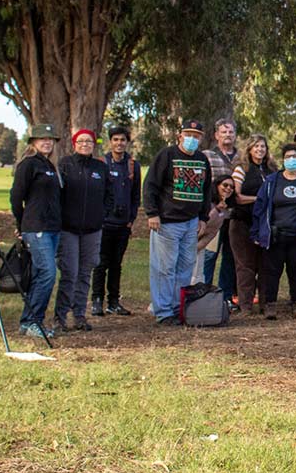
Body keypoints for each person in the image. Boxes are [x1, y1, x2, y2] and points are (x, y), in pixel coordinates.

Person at [143, 119, 212, 325]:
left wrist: (203, 217)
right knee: (164, 268)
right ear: (180, 136)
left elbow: (206, 190)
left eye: (196, 136)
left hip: (191, 222)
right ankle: (163, 311)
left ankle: (176, 308)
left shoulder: (202, 160)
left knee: (185, 268)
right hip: (167, 222)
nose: (192, 139)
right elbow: (151, 185)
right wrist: (152, 213)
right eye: (188, 134)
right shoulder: (167, 155)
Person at [251, 144, 296, 319]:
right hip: (275, 235)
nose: (291, 160)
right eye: (288, 157)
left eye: (295, 157)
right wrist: (257, 232)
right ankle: (270, 305)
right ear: (283, 160)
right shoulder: (272, 181)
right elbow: (260, 207)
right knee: (272, 272)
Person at [54, 129, 113, 332]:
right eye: (81, 141)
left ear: (94, 144)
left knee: (85, 272)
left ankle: (79, 315)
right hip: (68, 229)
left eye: (89, 141)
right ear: (74, 144)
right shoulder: (65, 165)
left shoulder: (100, 168)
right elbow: (56, 195)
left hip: (92, 230)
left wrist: (101, 215)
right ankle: (60, 317)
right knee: (69, 272)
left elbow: (109, 195)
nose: (85, 144)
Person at [10, 123, 63, 338]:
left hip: (53, 228)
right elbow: (16, 197)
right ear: (33, 142)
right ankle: (33, 321)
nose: (47, 142)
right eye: (42, 139)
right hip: (37, 227)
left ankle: (28, 321)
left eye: (50, 139)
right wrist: (21, 224)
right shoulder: (29, 165)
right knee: (48, 274)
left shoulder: (50, 166)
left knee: (41, 274)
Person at [90, 124, 140, 317]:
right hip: (104, 223)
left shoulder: (132, 165)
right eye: (116, 140)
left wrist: (131, 218)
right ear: (110, 142)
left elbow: (136, 196)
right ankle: (96, 301)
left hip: (123, 224)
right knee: (100, 263)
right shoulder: (102, 163)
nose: (119, 143)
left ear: (127, 142)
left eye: (123, 140)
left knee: (116, 264)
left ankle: (113, 301)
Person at [230, 134, 274, 315]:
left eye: (263, 147)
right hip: (242, 223)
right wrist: (260, 199)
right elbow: (237, 196)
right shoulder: (241, 169)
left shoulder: (271, 170)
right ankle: (246, 306)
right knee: (245, 266)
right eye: (256, 147)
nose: (260, 150)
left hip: (266, 225)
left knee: (265, 265)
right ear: (249, 149)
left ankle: (265, 304)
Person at [202, 118, 239, 306]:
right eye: (223, 132)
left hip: (234, 216)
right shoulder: (207, 156)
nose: (227, 135)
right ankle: (203, 293)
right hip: (212, 214)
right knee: (209, 256)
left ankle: (225, 297)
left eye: (231, 132)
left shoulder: (241, 158)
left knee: (230, 257)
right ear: (216, 135)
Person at [192, 176, 235, 286]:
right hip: (190, 239)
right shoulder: (206, 202)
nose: (228, 188)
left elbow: (212, 232)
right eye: (225, 185)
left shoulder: (225, 209)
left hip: (200, 244)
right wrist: (216, 210)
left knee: (198, 273)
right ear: (217, 186)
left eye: (232, 187)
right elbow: (204, 223)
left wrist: (199, 247)